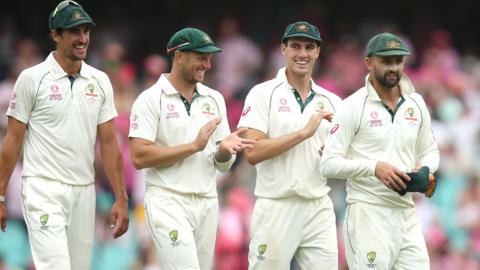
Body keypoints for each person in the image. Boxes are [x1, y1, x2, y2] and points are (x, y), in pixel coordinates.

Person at [0, 1, 129, 269]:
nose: (82, 39)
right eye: (74, 32)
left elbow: (108, 144)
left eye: (86, 31)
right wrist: (0, 196)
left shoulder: (100, 81)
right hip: (42, 188)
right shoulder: (32, 79)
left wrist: (121, 198)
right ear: (55, 35)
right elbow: (12, 141)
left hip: (84, 190)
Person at [128, 27, 255, 270]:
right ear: (179, 56)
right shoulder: (150, 99)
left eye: (209, 58)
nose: (207, 64)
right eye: (200, 57)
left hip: (207, 201)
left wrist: (225, 152)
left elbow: (221, 162)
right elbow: (139, 155)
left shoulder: (214, 98)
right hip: (168, 201)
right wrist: (193, 146)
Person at [320, 32, 440, 270]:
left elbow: (430, 150)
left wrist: (425, 169)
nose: (394, 67)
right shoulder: (352, 106)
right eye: (386, 61)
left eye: (398, 60)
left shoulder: (415, 103)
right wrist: (374, 168)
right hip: (368, 214)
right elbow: (328, 163)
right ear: (369, 62)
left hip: (406, 213)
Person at [237, 21, 342, 269]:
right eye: (295, 46)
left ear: (317, 52)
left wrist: (335, 154)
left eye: (309, 47)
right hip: (276, 204)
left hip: (319, 206)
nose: (302, 54)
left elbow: (344, 156)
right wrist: (304, 133)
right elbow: (253, 152)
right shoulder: (263, 93)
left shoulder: (334, 101)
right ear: (283, 49)